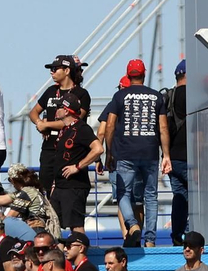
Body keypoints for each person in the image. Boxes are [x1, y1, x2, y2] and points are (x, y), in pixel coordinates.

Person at [103, 59, 171, 247]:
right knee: (151, 197)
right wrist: (166, 155)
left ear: (128, 74)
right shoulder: (156, 96)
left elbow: (109, 125)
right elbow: (163, 128)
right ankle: (150, 240)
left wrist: (109, 153)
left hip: (125, 153)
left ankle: (132, 225)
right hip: (150, 152)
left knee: (123, 193)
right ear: (144, 74)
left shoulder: (119, 96)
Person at [32, 55, 92, 195]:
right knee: (45, 190)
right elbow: (33, 112)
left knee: (67, 192)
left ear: (66, 71)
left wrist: (47, 125)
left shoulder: (82, 94)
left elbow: (74, 121)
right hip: (49, 149)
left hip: (71, 151)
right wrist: (40, 123)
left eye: (55, 69)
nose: (51, 72)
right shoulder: (50, 91)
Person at [50, 99, 103, 236]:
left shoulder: (82, 128)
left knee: (76, 225)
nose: (56, 109)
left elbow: (98, 149)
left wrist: (77, 167)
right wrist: (55, 183)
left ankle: (80, 248)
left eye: (59, 107)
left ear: (67, 110)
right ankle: (59, 250)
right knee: (53, 224)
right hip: (60, 185)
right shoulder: (64, 129)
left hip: (74, 186)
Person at [162, 60, 189, 245]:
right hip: (190, 156)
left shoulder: (168, 96)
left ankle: (177, 236)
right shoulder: (193, 95)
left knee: (179, 196)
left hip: (172, 156)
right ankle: (195, 236)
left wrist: (165, 155)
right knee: (199, 196)